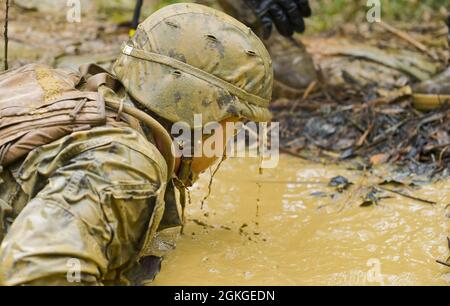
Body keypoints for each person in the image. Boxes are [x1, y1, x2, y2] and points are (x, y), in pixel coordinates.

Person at [0, 3, 273, 285]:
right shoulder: (128, 166)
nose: (226, 148)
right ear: (203, 114)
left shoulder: (74, 87)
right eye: (235, 126)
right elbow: (37, 271)